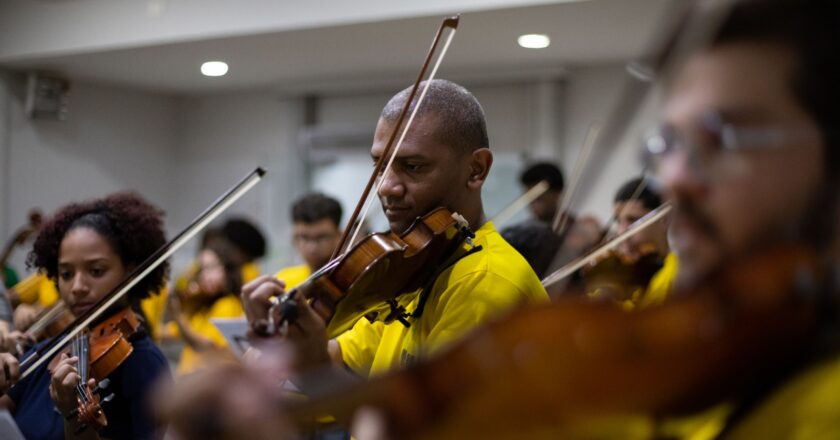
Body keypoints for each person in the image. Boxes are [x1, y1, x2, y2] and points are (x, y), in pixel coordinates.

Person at [243, 79, 548, 380]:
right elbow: (339, 364)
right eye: (379, 166)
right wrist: (295, 349)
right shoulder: (416, 267)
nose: (386, 187)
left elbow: (419, 425)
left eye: (413, 166)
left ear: (476, 169)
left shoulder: (483, 281)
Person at [0, 192, 171, 439]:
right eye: (66, 274)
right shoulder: (49, 350)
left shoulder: (143, 363)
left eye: (96, 270)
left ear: (131, 273)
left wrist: (72, 413)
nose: (77, 286)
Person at [168, 240, 246, 375]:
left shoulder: (228, 304)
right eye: (202, 269)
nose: (205, 275)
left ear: (227, 269)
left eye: (211, 267)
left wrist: (177, 315)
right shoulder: (204, 308)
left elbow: (206, 346)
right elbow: (173, 331)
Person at [275, 193, 343, 289]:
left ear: (339, 236)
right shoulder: (282, 281)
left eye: (322, 237)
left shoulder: (358, 285)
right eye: (304, 237)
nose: (312, 248)